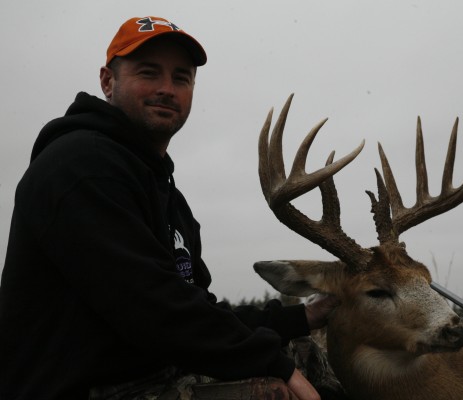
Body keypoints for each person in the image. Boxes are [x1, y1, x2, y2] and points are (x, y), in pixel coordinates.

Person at [0, 16, 336, 400]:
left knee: (304, 349)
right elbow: (151, 306)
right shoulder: (80, 167)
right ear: (108, 81)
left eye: (181, 78)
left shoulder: (165, 193)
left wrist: (301, 317)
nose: (166, 89)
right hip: (83, 388)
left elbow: (194, 306)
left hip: (150, 370)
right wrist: (277, 367)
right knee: (273, 390)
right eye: (149, 73)